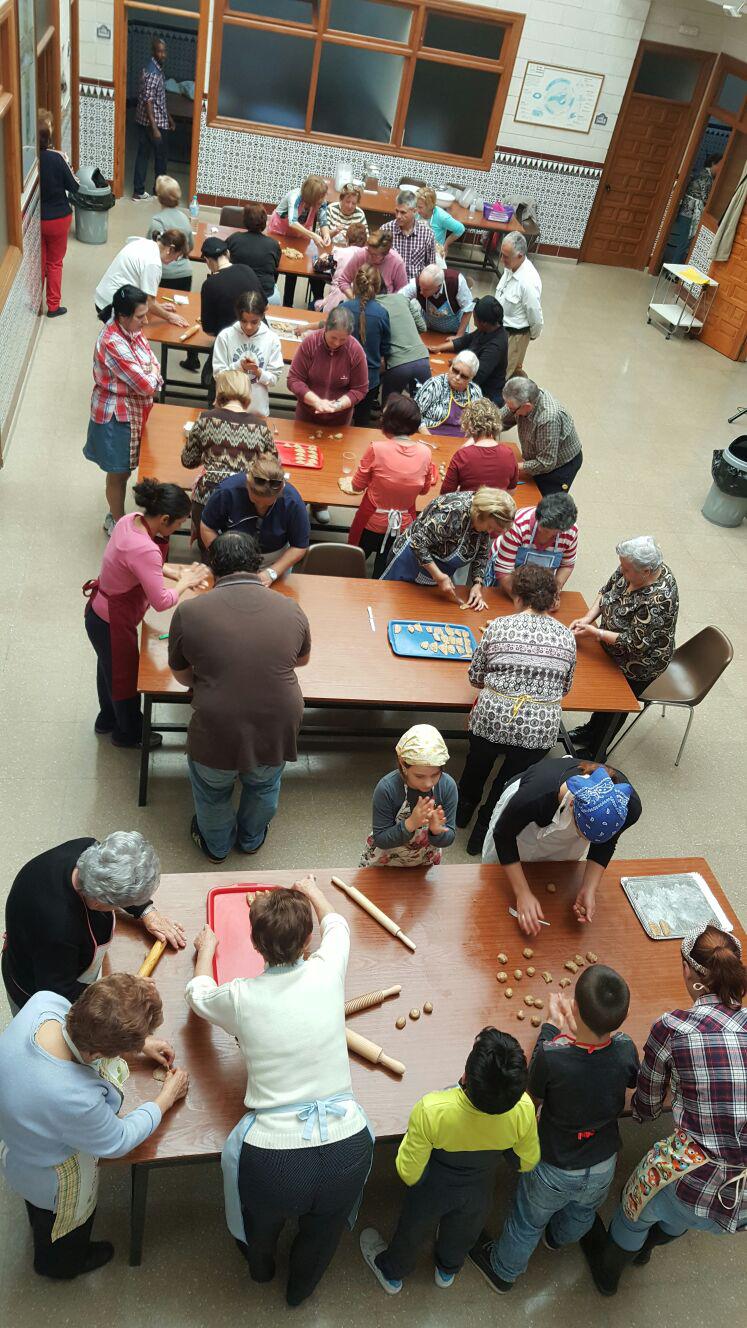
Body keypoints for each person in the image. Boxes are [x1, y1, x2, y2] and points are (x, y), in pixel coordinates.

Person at [187, 876, 373, 1306]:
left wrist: (206, 951)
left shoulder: (240, 996)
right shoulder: (328, 969)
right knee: (323, 1233)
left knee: (262, 1224)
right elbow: (338, 924)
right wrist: (312, 890)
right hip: (349, 1145)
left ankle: (261, 1268)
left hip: (273, 1160)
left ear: (255, 946)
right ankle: (299, 1292)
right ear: (308, 941)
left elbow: (198, 996)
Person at [583, 925, 747, 1297]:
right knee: (678, 1220)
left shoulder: (674, 1028)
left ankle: (609, 1272)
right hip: (740, 1205)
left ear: (688, 971)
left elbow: (648, 1102)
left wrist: (641, 1115)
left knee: (635, 1210)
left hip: (695, 1180)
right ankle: (648, 1249)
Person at [0, 974, 188, 1278]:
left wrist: (141, 1044)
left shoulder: (44, 1002)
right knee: (60, 1229)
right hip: (50, 1175)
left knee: (39, 1213)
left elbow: (92, 1029)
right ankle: (61, 1265)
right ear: (101, 1054)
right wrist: (166, 1098)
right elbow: (119, 1139)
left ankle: (41, 1226)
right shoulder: (76, 1099)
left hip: (18, 1140)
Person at [470, 968, 638, 1294]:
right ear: (622, 1017)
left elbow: (532, 1093)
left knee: (526, 1221)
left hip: (553, 1165)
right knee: (582, 1213)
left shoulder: (553, 1055)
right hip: (603, 1163)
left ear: (574, 1007)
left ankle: (503, 1271)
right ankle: (557, 1238)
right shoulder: (625, 1048)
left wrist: (550, 1026)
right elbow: (627, 1076)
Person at [361, 1027, 538, 1294]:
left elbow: (409, 1172)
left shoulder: (432, 1110)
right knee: (464, 1231)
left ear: (466, 1076)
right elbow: (526, 1162)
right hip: (479, 1187)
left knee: (413, 1230)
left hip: (433, 1188)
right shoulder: (523, 1108)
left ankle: (392, 1273)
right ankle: (447, 1270)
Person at [168, 532, 311, 862]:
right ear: (257, 562)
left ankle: (217, 846)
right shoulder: (290, 608)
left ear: (212, 568)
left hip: (217, 727)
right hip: (277, 724)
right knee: (264, 785)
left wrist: (205, 680)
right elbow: (301, 660)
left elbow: (180, 673)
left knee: (212, 791)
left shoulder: (189, 612)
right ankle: (251, 838)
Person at [2, 832, 186, 1014]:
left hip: (59, 959)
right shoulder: (60, 929)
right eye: (124, 904)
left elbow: (116, 878)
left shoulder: (89, 851)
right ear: (99, 902)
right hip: (36, 992)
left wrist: (147, 911)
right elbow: (58, 991)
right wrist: (118, 993)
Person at [83, 479, 208, 746]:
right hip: (112, 622)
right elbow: (161, 601)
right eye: (179, 523)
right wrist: (184, 582)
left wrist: (173, 572)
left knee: (108, 671)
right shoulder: (146, 548)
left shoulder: (129, 521)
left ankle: (107, 719)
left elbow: (140, 564)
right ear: (164, 519)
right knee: (125, 680)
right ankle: (126, 734)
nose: (180, 527)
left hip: (98, 612)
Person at [456, 565, 577, 835]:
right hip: (539, 729)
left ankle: (462, 811)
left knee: (476, 765)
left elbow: (475, 678)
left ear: (519, 597)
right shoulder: (567, 637)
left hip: (492, 718)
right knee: (510, 781)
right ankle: (484, 828)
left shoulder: (498, 626)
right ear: (551, 600)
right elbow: (565, 687)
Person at [479, 757, 642, 933]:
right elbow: (503, 836)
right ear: (572, 806)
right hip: (524, 814)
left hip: (563, 813)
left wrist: (589, 888)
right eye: (582, 835)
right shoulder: (534, 796)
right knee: (497, 877)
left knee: (551, 872)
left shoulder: (627, 805)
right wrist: (522, 893)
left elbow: (606, 843)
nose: (586, 842)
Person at [569, 537, 679, 761]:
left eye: (626, 569)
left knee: (614, 706)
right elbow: (606, 592)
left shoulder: (659, 599)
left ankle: (596, 751)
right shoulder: (631, 566)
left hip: (638, 663)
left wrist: (596, 633)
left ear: (646, 571)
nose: (621, 570)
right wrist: (588, 618)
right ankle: (590, 731)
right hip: (611, 648)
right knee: (603, 697)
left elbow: (634, 643)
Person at [84, 285, 163, 534]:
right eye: (141, 316)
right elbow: (146, 385)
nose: (146, 321)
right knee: (118, 473)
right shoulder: (113, 342)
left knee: (126, 471)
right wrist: (152, 375)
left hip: (134, 409)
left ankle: (116, 516)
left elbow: (152, 360)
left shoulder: (130, 328)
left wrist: (151, 373)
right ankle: (118, 525)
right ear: (122, 316)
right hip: (116, 414)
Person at [339, 394, 437, 576]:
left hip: (371, 521)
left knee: (352, 564)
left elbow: (357, 486)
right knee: (383, 572)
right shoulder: (426, 453)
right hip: (403, 526)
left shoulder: (376, 448)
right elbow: (424, 490)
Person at [382, 487, 515, 611]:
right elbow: (417, 543)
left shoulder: (484, 521)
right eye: (490, 527)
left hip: (436, 574)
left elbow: (482, 553)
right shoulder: (453, 513)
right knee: (394, 606)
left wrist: (477, 584)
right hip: (409, 562)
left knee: (419, 610)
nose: (489, 532)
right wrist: (438, 575)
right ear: (482, 514)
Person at [181, 368, 277, 534]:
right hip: (244, 499)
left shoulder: (205, 419)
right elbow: (273, 465)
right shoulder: (261, 427)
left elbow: (188, 461)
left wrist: (209, 455)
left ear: (219, 390)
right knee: (238, 546)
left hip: (207, 497)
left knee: (208, 544)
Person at [360, 724, 457, 868]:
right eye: (419, 776)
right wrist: (411, 823)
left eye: (435, 775)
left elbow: (449, 837)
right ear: (402, 764)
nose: (428, 783)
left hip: (423, 862)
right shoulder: (387, 788)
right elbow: (380, 839)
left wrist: (437, 831)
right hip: (386, 863)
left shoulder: (447, 786)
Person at [199, 455, 311, 579]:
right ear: (247, 484)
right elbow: (207, 527)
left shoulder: (293, 502)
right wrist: (223, 559)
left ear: (281, 490)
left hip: (274, 561)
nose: (261, 506)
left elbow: (299, 546)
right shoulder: (226, 492)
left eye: (267, 504)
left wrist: (271, 573)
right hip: (232, 555)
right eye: (255, 501)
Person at [146, 174, 199, 370]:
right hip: (184, 273)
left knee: (154, 307)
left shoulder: (157, 222)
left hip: (162, 274)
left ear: (159, 197)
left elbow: (149, 249)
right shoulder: (185, 219)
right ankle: (192, 354)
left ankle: (148, 352)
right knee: (183, 310)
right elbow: (190, 246)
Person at [287, 306, 369, 429]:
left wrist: (337, 405)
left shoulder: (355, 350)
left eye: (343, 339)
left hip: (339, 420)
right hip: (307, 415)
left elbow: (360, 389)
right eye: (333, 338)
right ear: (325, 328)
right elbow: (294, 380)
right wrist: (316, 401)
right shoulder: (310, 343)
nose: (337, 343)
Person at [501, 376, 583, 495]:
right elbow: (502, 417)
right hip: (538, 456)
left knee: (545, 500)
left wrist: (513, 466)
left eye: (512, 409)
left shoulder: (548, 418)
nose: (510, 411)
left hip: (559, 467)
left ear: (527, 406)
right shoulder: (524, 397)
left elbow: (546, 463)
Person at [484, 492, 578, 595]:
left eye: (548, 532)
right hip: (506, 570)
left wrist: (554, 593)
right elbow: (503, 570)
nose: (543, 533)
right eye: (541, 528)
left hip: (535, 579)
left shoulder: (570, 532)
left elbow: (566, 565)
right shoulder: (517, 524)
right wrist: (518, 599)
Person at [212, 289, 283, 417]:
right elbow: (218, 375)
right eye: (244, 321)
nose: (248, 327)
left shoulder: (272, 339)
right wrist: (239, 366)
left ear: (262, 316)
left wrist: (258, 372)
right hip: (227, 409)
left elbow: (274, 379)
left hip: (257, 411)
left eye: (254, 322)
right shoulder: (225, 336)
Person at [94, 231, 190, 326]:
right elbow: (149, 303)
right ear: (170, 249)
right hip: (111, 304)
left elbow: (147, 297)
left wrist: (158, 306)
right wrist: (169, 316)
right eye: (178, 256)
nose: (175, 260)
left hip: (104, 295)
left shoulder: (146, 243)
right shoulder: (153, 264)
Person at [269, 175, 332, 306]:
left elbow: (323, 221)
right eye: (320, 197)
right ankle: (269, 297)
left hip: (300, 233)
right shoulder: (295, 196)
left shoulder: (321, 201)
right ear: (312, 197)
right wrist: (313, 235)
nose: (323, 199)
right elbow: (292, 222)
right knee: (276, 265)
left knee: (294, 267)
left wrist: (326, 234)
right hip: (280, 230)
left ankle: (288, 304)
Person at [38, 111, 78, 318]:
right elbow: (74, 186)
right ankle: (53, 307)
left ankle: (35, 303)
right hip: (59, 219)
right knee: (54, 263)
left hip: (37, 220)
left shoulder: (27, 159)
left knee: (40, 262)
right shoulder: (57, 158)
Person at [341, 264, 391, 425]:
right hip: (369, 377)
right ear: (377, 287)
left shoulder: (343, 308)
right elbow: (385, 347)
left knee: (338, 417)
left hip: (343, 373)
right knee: (362, 421)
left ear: (355, 285)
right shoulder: (382, 313)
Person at [434, 295, 508, 404]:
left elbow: (477, 376)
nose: (473, 319)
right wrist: (438, 348)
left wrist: (459, 364)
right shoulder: (487, 329)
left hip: (485, 394)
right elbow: (466, 340)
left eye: (474, 317)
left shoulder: (495, 346)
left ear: (484, 322)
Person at [440, 398, 518, 495]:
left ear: (468, 425)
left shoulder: (462, 455)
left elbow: (445, 494)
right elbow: (511, 492)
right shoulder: (509, 454)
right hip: (498, 504)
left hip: (471, 504)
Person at [495, 233, 543, 378]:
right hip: (499, 329)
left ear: (520, 256)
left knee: (502, 376)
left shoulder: (528, 281)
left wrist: (527, 337)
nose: (502, 260)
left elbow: (535, 315)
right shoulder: (511, 266)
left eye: (506, 257)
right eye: (502, 255)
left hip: (515, 336)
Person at [132, 36, 173, 202]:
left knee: (144, 155)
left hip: (150, 120)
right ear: (153, 51)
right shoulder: (152, 72)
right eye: (160, 51)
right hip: (153, 123)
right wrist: (155, 128)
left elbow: (158, 99)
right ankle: (157, 191)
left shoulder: (154, 68)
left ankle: (140, 191)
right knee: (160, 158)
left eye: (164, 51)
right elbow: (148, 101)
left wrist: (169, 117)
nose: (163, 54)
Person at [199, 237, 264, 338]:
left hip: (229, 339)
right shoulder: (247, 269)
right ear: (228, 253)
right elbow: (265, 306)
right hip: (258, 335)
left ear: (207, 260)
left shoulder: (209, 284)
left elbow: (209, 330)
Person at [414, 351, 483, 435]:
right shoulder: (434, 384)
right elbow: (415, 413)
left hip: (463, 440)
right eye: (455, 371)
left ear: (471, 378)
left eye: (464, 376)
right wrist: (428, 437)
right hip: (431, 436)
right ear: (451, 366)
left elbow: (478, 423)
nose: (457, 377)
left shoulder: (475, 391)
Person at [226, 203, 282, 303]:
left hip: (236, 292)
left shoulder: (234, 238)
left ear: (244, 220)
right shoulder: (273, 244)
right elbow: (275, 266)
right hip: (266, 296)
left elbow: (223, 257)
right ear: (264, 221)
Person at [671, 154, 722, 263]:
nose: (721, 168)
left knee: (683, 241)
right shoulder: (706, 178)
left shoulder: (701, 173)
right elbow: (706, 198)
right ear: (713, 163)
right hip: (691, 212)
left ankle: (674, 265)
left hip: (686, 211)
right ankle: (673, 267)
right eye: (720, 165)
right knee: (684, 242)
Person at [401, 264, 474, 338]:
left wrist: (459, 336)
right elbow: (399, 299)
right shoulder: (415, 284)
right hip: (429, 327)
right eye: (420, 287)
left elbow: (468, 309)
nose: (421, 292)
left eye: (426, 289)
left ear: (438, 286)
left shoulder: (456, 281)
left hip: (455, 328)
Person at [336, 228, 408, 302]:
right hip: (359, 302)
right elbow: (343, 280)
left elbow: (402, 292)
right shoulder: (361, 255)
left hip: (386, 304)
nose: (370, 256)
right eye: (368, 251)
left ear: (385, 254)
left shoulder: (396, 262)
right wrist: (354, 300)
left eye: (375, 255)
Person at [314, 223, 370, 312]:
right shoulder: (370, 257)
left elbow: (318, 266)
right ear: (365, 241)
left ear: (347, 239)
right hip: (362, 303)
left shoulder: (339, 252)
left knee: (315, 304)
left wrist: (321, 257)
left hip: (336, 301)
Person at [381, 190, 437, 279]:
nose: (398, 216)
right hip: (391, 283)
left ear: (414, 211)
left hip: (416, 284)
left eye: (403, 212)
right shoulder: (386, 230)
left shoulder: (427, 234)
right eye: (397, 211)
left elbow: (431, 268)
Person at [416, 186, 466, 259]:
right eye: (416, 206)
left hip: (433, 255)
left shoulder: (442, 217)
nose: (417, 210)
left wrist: (446, 244)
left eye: (420, 207)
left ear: (430, 206)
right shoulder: (415, 212)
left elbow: (460, 229)